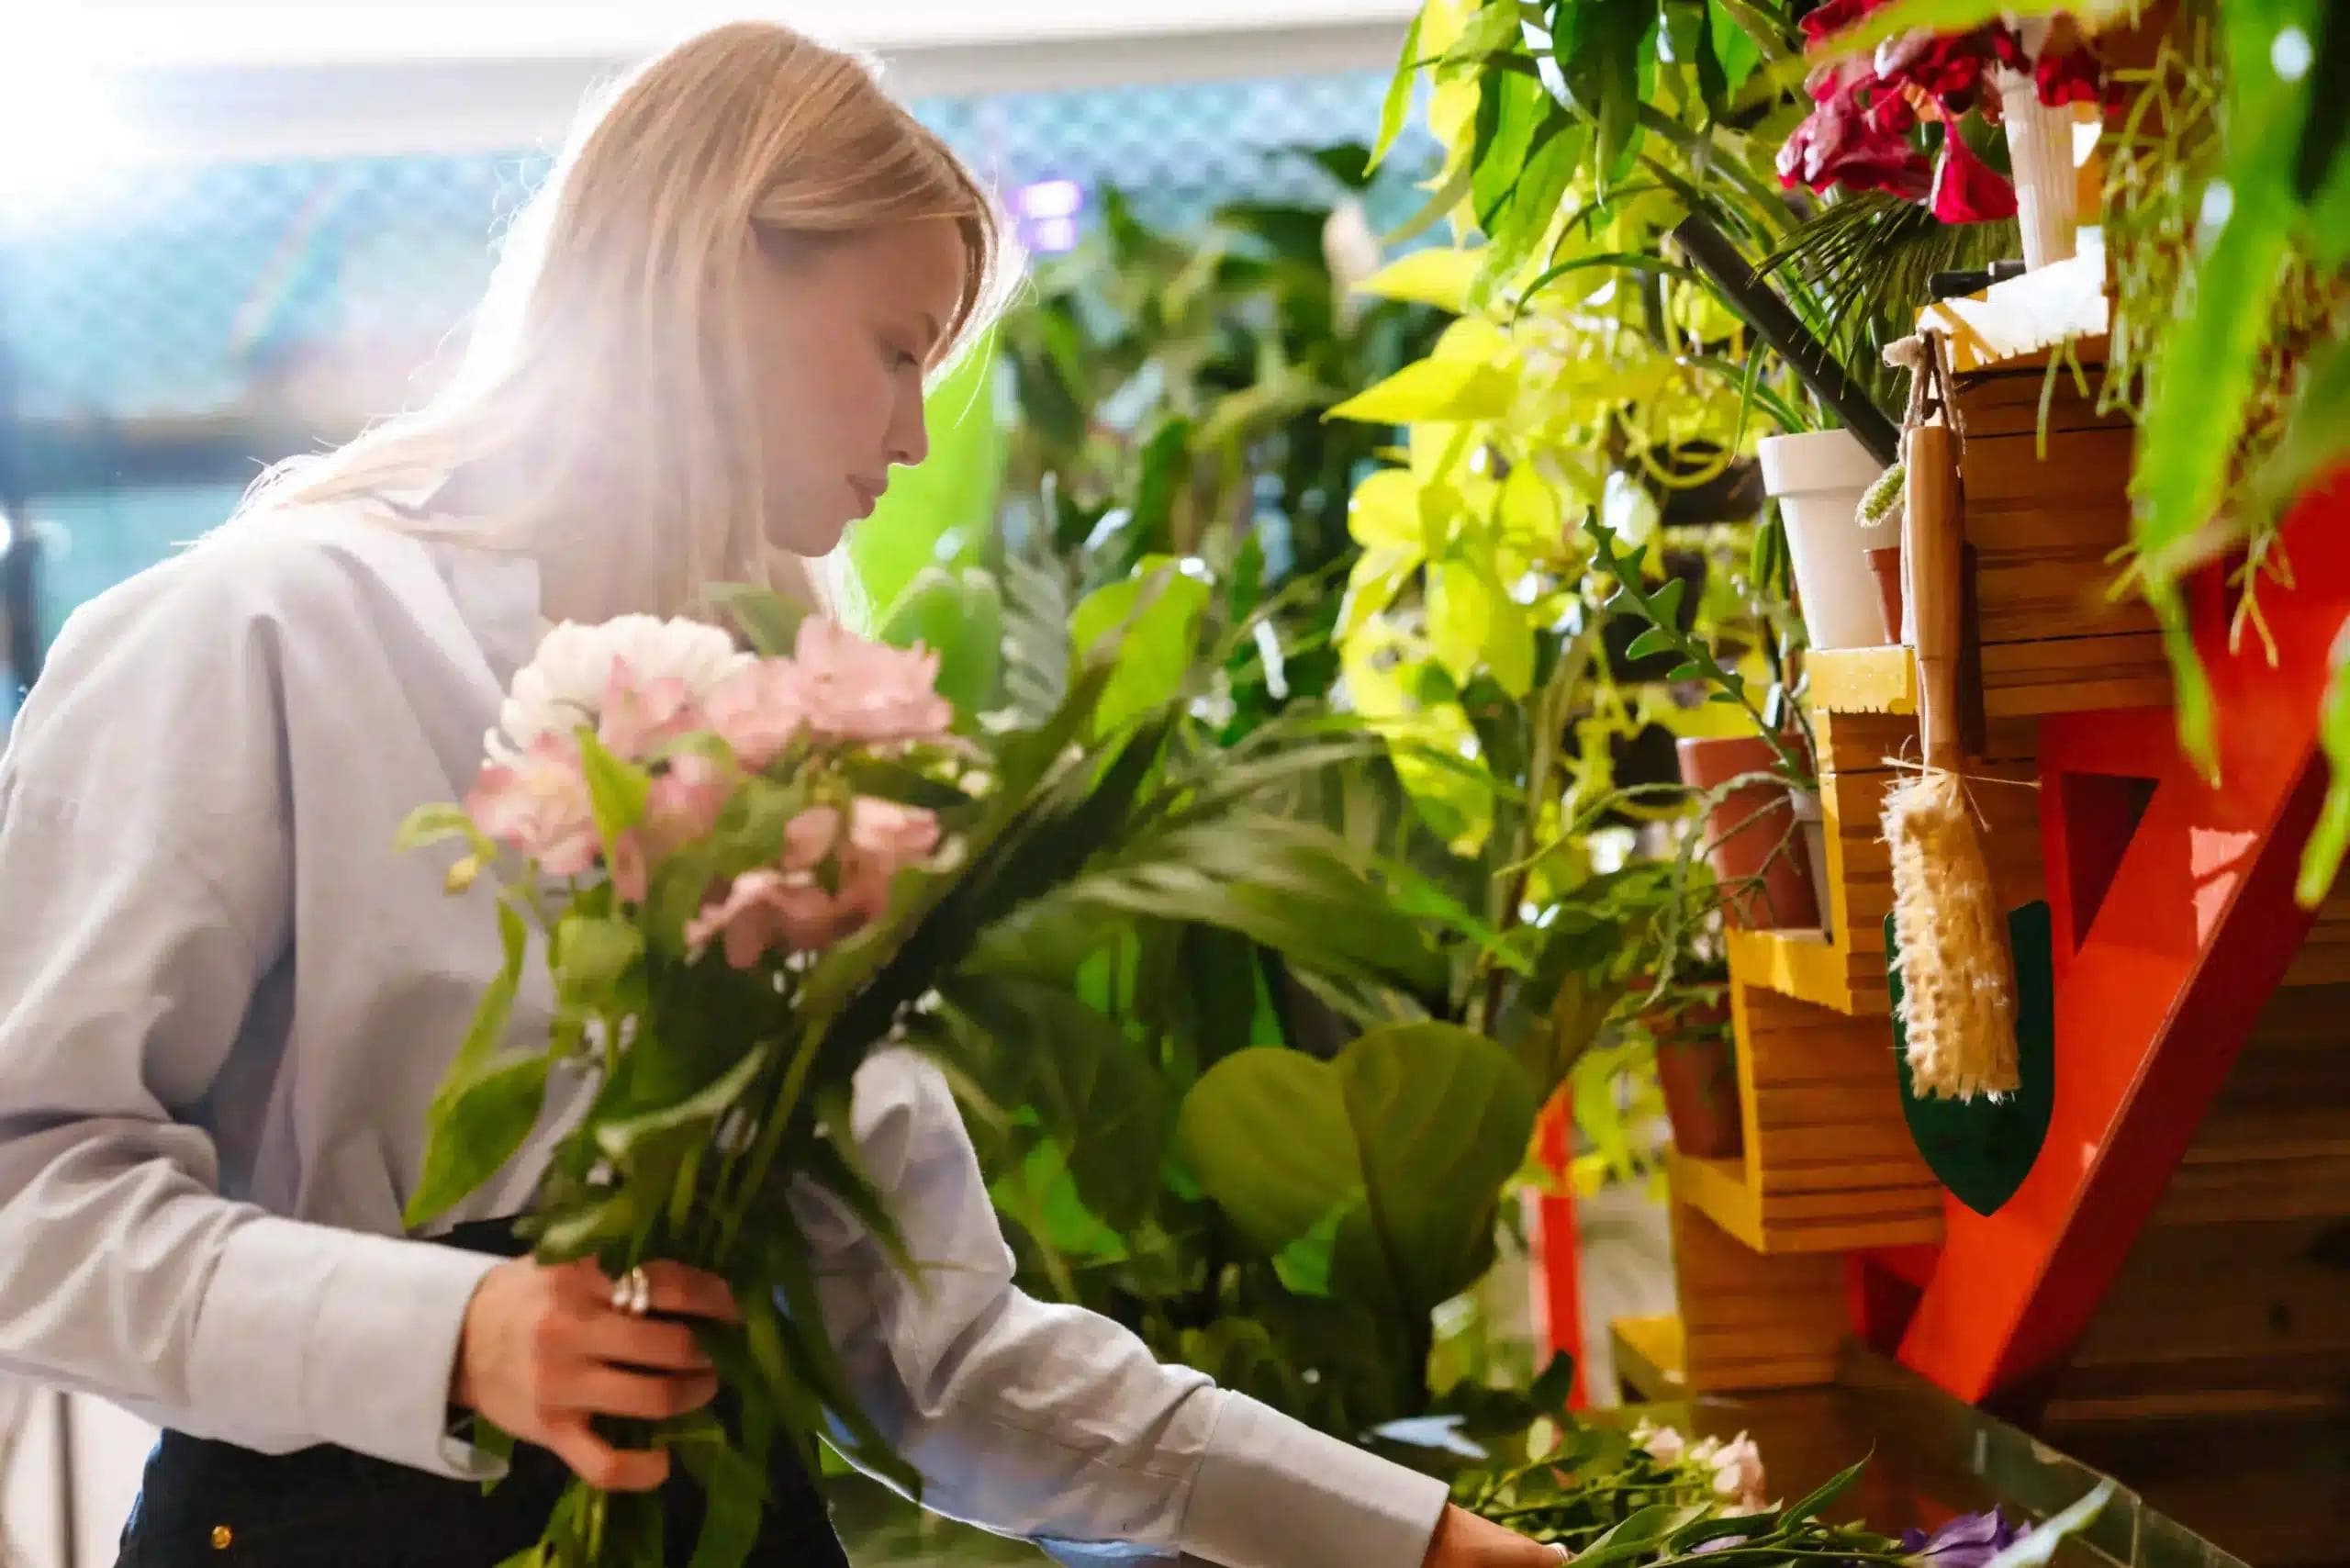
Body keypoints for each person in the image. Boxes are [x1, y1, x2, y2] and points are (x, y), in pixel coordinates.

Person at [0, 22, 1564, 1568]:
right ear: (715, 278)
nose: (914, 435)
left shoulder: (799, 760)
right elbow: (25, 1200)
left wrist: (1416, 1544)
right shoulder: (260, 632)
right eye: (896, 349)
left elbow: (942, 1356)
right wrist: (452, 1333)